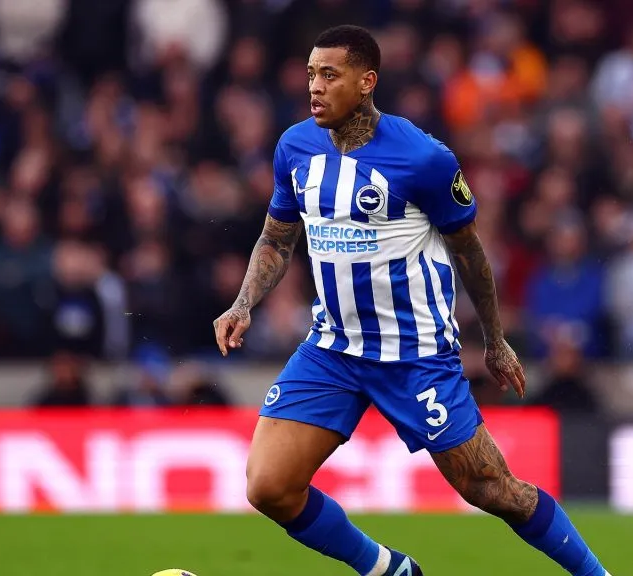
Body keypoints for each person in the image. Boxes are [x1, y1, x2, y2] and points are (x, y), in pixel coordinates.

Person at [213, 25, 610, 576]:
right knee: (268, 487)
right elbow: (278, 238)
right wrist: (243, 303)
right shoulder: (294, 148)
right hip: (332, 349)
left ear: (367, 81)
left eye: (330, 74)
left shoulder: (424, 158)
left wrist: (495, 342)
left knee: (492, 490)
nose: (315, 87)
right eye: (310, 74)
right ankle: (388, 570)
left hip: (415, 354)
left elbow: (470, 254)